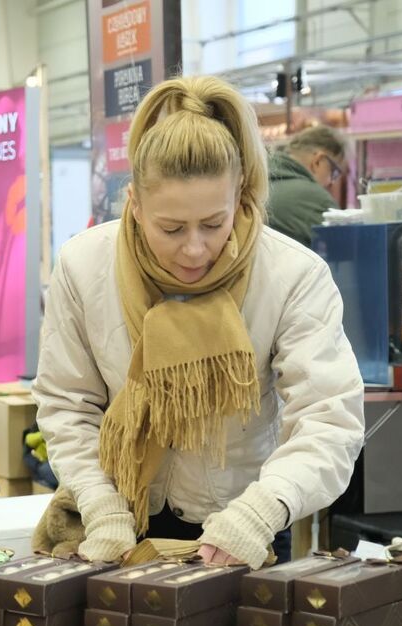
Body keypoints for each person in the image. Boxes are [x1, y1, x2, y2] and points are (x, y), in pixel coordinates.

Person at [33, 76, 364, 569]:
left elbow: (329, 419)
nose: (194, 249)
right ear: (135, 204)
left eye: (214, 223)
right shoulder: (85, 267)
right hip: (119, 520)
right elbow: (67, 404)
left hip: (238, 528)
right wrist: (99, 504)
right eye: (171, 228)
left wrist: (262, 510)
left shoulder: (291, 275)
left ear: (241, 198)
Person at [266, 125, 347, 247]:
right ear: (318, 161)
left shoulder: (254, 182)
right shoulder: (317, 199)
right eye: (334, 173)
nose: (332, 182)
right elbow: (345, 250)